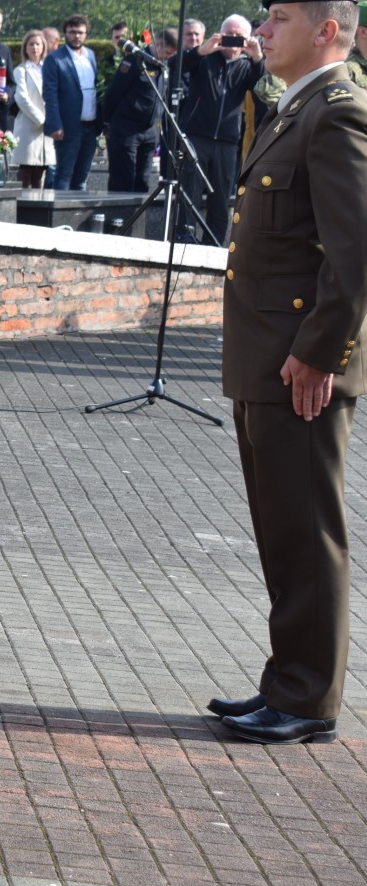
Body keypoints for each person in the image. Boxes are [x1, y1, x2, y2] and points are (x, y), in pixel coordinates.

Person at [212, 0, 367, 746]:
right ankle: (288, 681)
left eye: (278, 18)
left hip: (300, 364)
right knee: (284, 530)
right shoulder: (296, 110)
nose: (263, 32)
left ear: (326, 30)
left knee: (307, 531)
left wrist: (320, 353)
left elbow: (355, 253)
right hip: (268, 357)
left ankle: (308, 698)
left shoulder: (338, 113)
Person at [179, 16, 265, 244]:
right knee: (190, 190)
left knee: (221, 197)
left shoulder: (247, 66)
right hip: (197, 135)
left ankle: (214, 244)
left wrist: (257, 58)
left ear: (247, 39)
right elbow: (176, 66)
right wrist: (202, 51)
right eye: (229, 34)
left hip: (227, 141)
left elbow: (262, 88)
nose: (232, 40)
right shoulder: (205, 59)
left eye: (239, 37)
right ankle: (184, 237)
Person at [103, 28, 167, 190]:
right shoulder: (135, 61)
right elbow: (114, 92)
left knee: (142, 183)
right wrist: (104, 122)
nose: (169, 57)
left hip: (149, 132)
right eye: (168, 52)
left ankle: (140, 209)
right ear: (159, 44)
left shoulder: (164, 65)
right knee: (123, 182)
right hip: (127, 130)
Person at [43, 14, 102, 190]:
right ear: (65, 34)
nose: (77, 36)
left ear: (86, 34)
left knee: (82, 178)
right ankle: (60, 209)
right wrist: (55, 124)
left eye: (81, 32)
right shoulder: (55, 58)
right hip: (68, 126)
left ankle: (77, 209)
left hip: (91, 126)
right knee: (64, 174)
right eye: (72, 32)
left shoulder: (90, 55)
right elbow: (50, 94)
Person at [12, 29, 56, 187]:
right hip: (29, 126)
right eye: (31, 44)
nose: (34, 47)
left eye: (38, 44)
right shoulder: (21, 70)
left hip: (47, 129)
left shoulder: (49, 69)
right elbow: (21, 98)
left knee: (41, 172)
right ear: (25, 48)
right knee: (26, 171)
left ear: (43, 47)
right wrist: (42, 120)